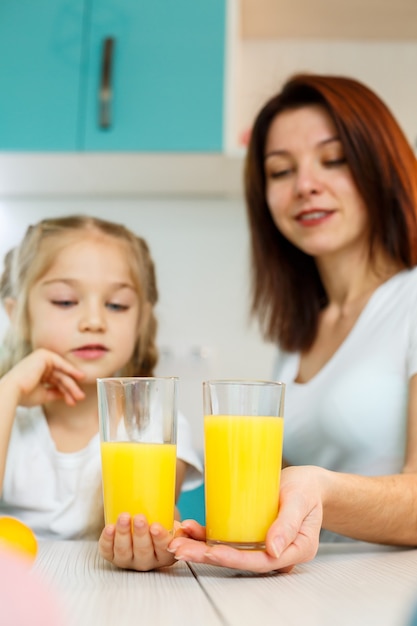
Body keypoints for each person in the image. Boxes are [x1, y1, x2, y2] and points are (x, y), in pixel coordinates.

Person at [168, 73, 417, 572]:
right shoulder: (299, 334)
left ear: (382, 168)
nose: (305, 185)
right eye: (280, 171)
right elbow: (278, 488)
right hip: (320, 584)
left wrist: (319, 487)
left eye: (334, 160)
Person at [0, 215, 203, 571]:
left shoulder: (158, 424)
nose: (94, 320)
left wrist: (154, 542)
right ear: (18, 315)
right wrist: (9, 390)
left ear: (141, 322)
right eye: (65, 301)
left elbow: (149, 521)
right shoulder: (8, 410)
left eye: (117, 305)